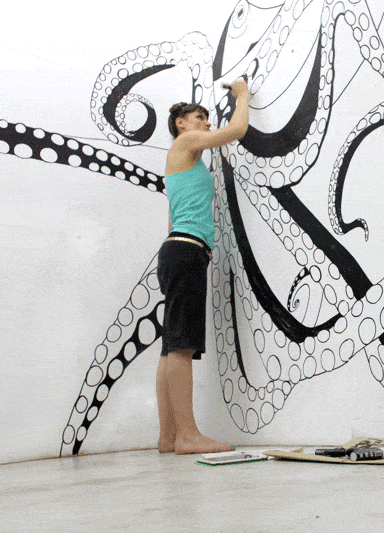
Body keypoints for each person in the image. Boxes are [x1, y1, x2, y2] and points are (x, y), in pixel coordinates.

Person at [156, 80, 249, 454]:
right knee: (181, 346)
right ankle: (188, 435)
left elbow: (172, 216)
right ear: (180, 123)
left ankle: (169, 436)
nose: (207, 123)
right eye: (200, 117)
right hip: (187, 251)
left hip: (175, 250)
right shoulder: (185, 143)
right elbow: (237, 130)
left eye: (208, 119)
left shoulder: (181, 159)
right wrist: (242, 95)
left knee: (171, 347)